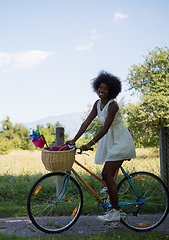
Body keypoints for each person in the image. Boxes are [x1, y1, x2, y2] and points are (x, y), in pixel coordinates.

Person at [66, 71, 136, 223]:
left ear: (111, 91)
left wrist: (89, 143)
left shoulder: (112, 106)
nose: (101, 91)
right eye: (99, 87)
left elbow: (105, 128)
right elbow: (87, 122)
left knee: (106, 174)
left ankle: (116, 212)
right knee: (108, 176)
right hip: (110, 142)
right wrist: (74, 139)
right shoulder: (97, 104)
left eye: (105, 88)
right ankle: (113, 208)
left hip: (120, 142)